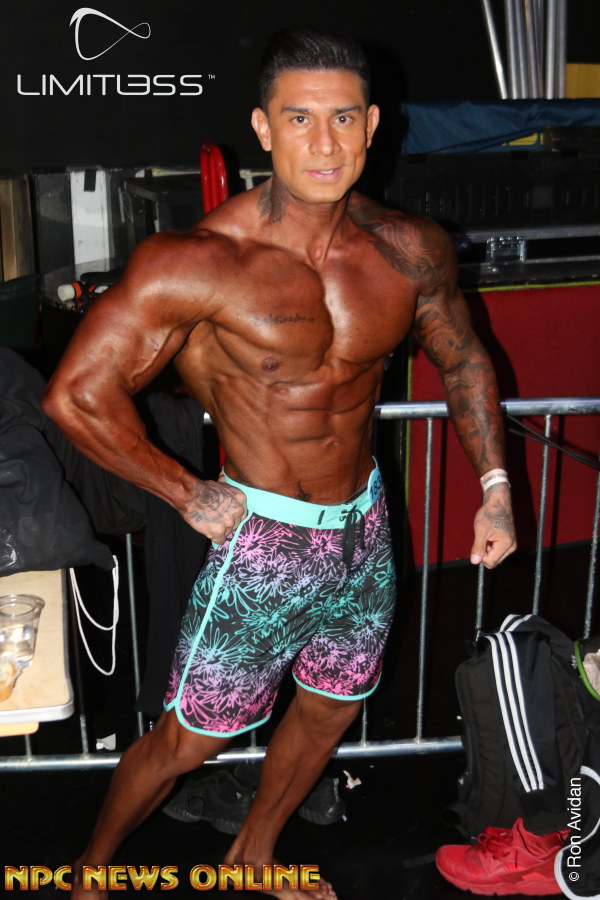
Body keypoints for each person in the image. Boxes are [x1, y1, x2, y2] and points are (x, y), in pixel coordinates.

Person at [43, 25, 516, 900]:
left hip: (363, 529)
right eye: (300, 119)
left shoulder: (408, 248)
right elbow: (75, 395)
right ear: (263, 128)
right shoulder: (199, 263)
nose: (324, 143)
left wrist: (495, 490)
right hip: (263, 540)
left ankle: (253, 856)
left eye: (343, 119)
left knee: (333, 706)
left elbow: (463, 359)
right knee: (191, 740)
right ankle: (90, 871)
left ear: (372, 125)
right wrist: (184, 491)